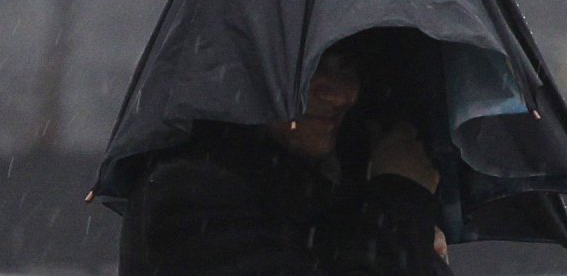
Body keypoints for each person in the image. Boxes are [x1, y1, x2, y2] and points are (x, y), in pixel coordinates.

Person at [119, 38, 454, 275]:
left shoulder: (340, 191)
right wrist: (400, 201)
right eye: (307, 69)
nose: (338, 93)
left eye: (346, 69)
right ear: (247, 74)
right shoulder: (189, 198)